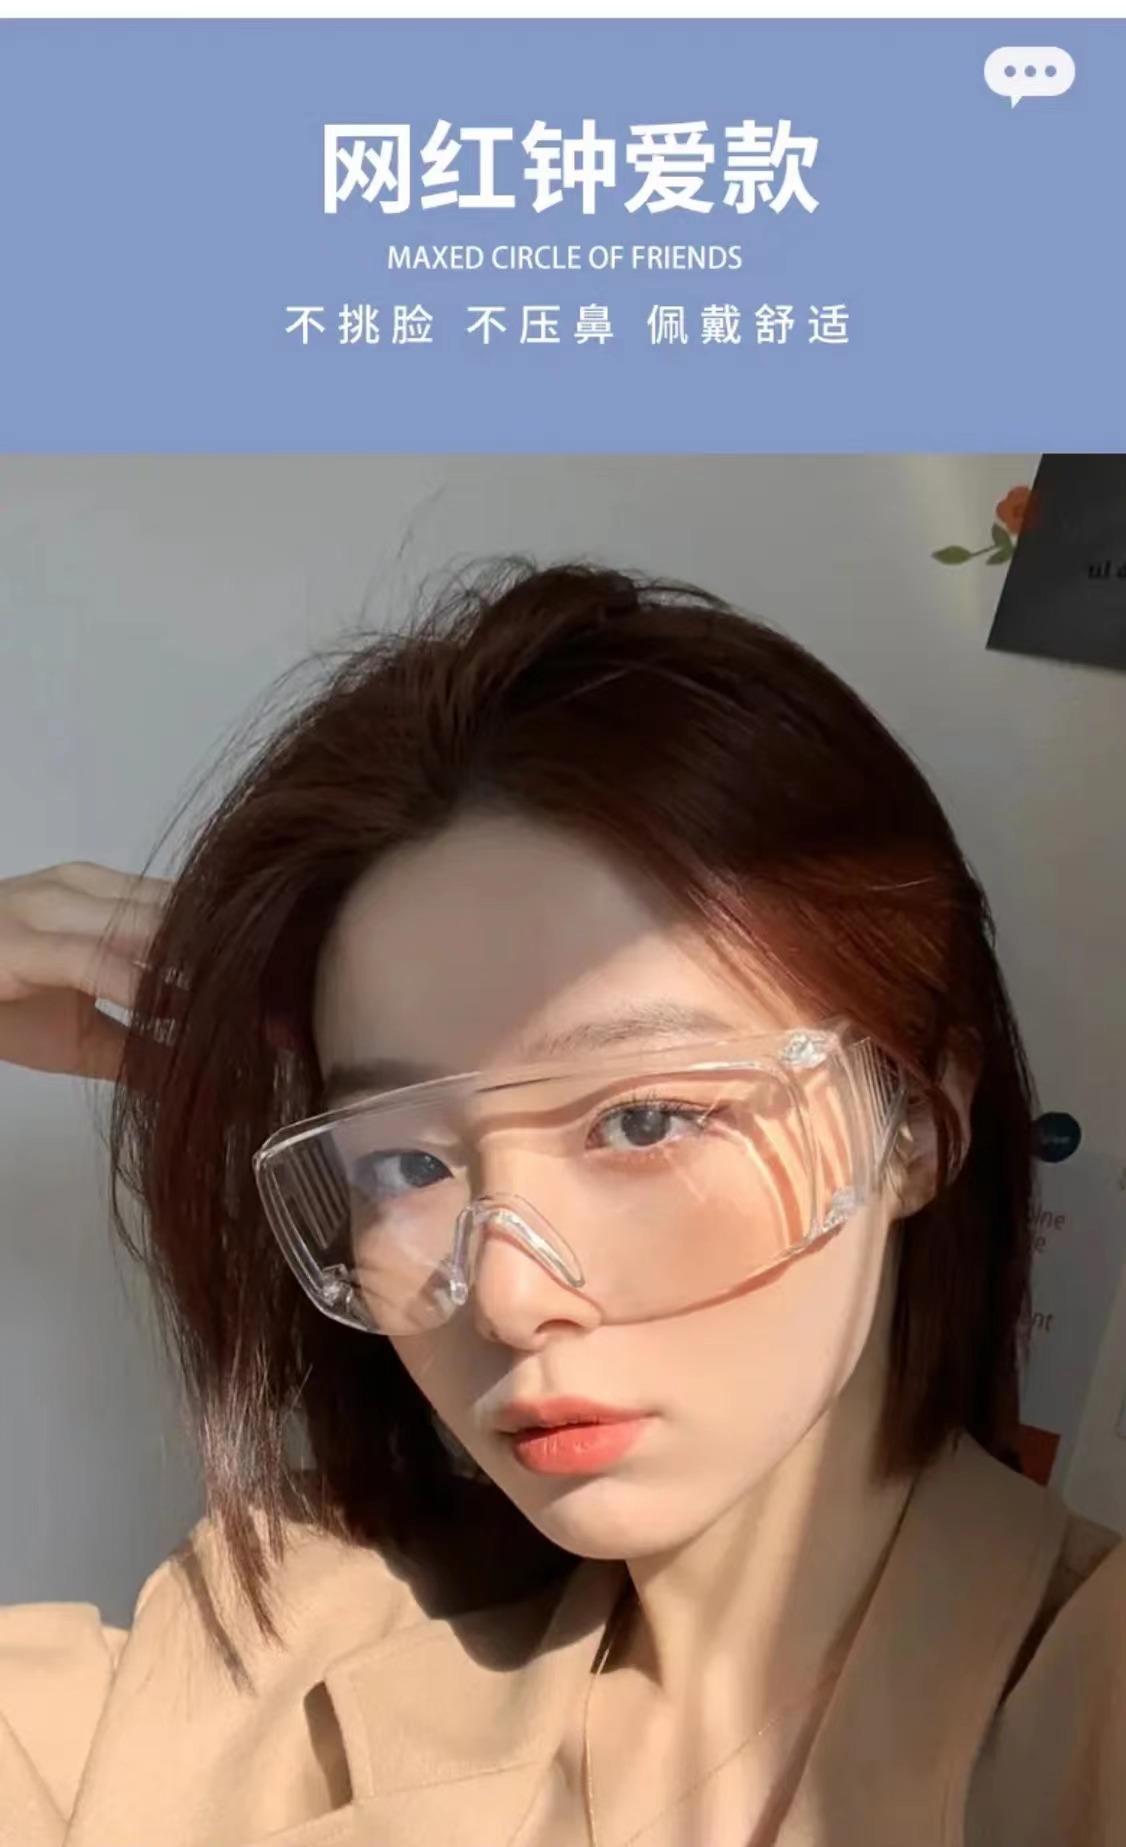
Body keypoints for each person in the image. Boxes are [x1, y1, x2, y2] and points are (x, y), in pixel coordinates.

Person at [0, 559, 1122, 1847]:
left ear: (916, 1118)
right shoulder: (259, 1661)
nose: (507, 1295)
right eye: (403, 1164)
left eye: (643, 1121)